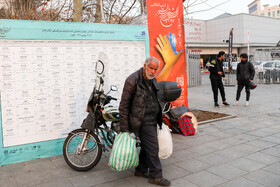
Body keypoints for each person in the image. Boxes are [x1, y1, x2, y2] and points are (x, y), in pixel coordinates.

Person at [119, 57, 171, 186]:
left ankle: (141, 170)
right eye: (151, 68)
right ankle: (156, 176)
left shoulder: (152, 80)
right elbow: (124, 106)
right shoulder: (132, 80)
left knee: (147, 146)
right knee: (153, 148)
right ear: (145, 66)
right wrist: (124, 129)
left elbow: (154, 98)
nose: (153, 71)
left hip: (152, 118)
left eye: (155, 69)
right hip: (141, 120)